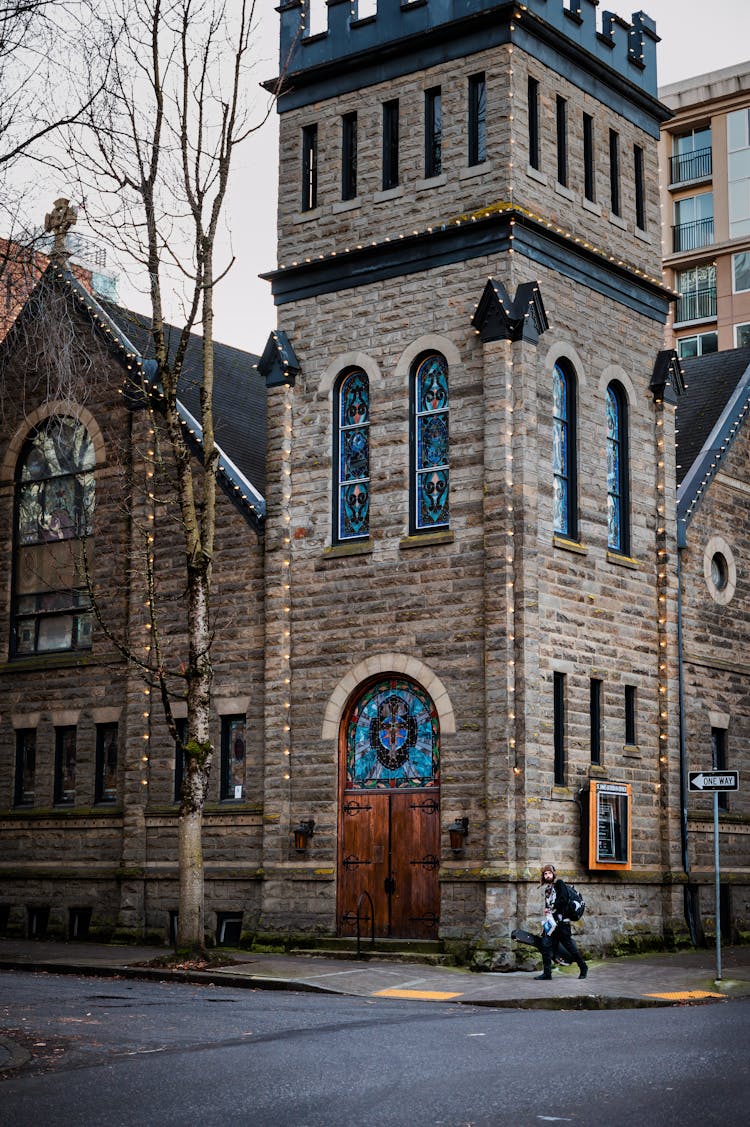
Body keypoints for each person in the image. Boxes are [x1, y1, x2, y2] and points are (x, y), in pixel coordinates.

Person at [535, 863, 588, 981]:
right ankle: (547, 973)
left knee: (570, 947)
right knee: (546, 946)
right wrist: (547, 913)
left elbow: (563, 900)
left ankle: (583, 967)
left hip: (562, 924)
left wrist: (553, 907)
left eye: (549, 873)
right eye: (545, 874)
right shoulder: (548, 890)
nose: (547, 875)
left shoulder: (560, 884)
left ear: (553, 874)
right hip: (552, 924)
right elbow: (549, 906)